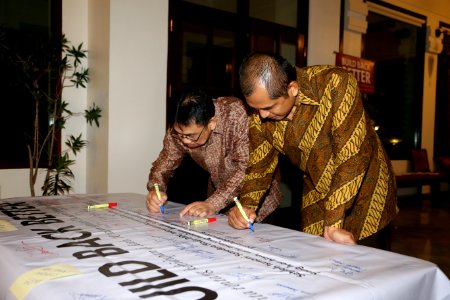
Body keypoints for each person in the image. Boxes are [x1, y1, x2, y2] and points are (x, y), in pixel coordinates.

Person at [228, 52, 398, 247]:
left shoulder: (336, 84)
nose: (262, 115)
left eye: (269, 107)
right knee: (314, 255)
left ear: (292, 88)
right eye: (255, 108)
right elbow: (259, 167)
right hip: (317, 189)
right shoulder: (259, 117)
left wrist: (334, 221)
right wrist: (245, 207)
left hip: (366, 189)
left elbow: (353, 156)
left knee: (365, 264)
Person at [146, 90, 281, 221]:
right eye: (180, 135)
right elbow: (163, 164)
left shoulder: (236, 114)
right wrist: (155, 189)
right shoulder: (179, 129)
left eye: (191, 136)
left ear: (212, 123)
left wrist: (213, 204)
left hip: (257, 199)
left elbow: (246, 168)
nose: (185, 141)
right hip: (218, 198)